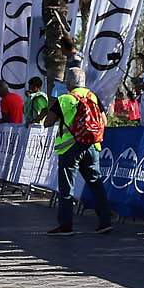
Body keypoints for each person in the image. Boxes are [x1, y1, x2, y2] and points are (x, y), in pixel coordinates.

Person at [46, 63, 112, 236]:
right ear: (84, 82)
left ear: (68, 82)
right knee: (96, 183)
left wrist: (55, 105)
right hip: (92, 145)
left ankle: (66, 225)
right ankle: (105, 221)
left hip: (70, 147)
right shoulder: (93, 96)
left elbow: (48, 121)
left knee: (67, 187)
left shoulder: (65, 98)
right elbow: (104, 122)